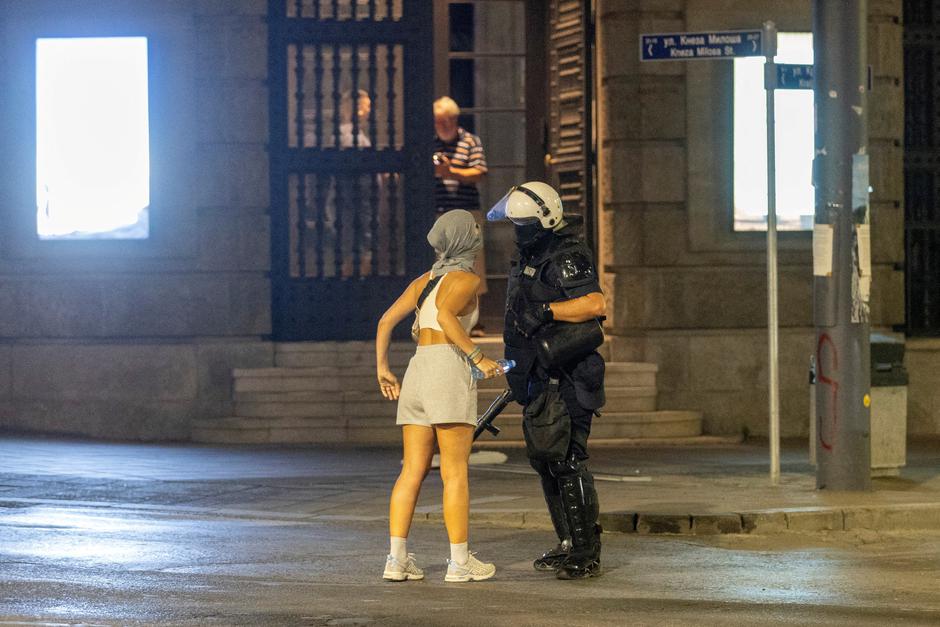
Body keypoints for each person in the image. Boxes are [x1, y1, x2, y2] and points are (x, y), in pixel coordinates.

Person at [375, 209, 503, 583]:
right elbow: (447, 316)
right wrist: (479, 356)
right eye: (475, 229)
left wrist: (383, 367)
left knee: (411, 470)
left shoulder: (424, 280)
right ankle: (459, 562)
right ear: (467, 239)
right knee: (454, 471)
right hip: (447, 368)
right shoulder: (466, 278)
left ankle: (396, 559)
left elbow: (385, 321)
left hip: (417, 370)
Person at [487, 181, 607, 580]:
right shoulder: (530, 254)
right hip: (537, 376)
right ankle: (569, 541)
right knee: (546, 461)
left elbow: (595, 304)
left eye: (522, 223)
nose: (517, 230)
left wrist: (548, 311)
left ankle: (586, 549)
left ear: (545, 219)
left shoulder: (567, 253)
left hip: (567, 377)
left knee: (568, 460)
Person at [433, 97, 489, 334]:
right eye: (438, 122)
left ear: (455, 119)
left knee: (472, 266)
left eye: (447, 121)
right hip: (437, 211)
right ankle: (442, 319)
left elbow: (479, 172)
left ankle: (474, 321)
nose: (443, 126)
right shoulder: (429, 142)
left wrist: (451, 171)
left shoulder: (470, 141)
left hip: (466, 211)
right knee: (441, 266)